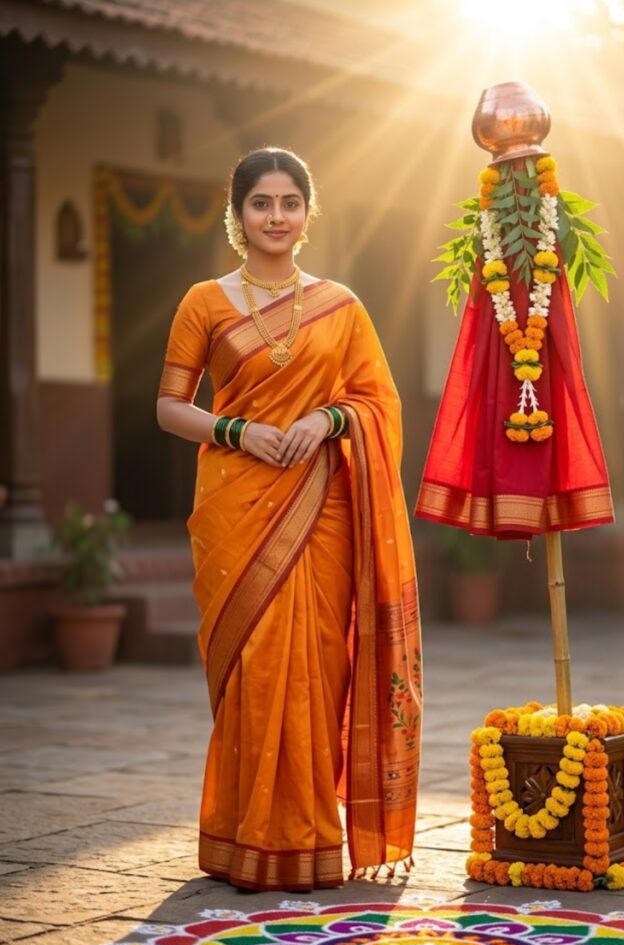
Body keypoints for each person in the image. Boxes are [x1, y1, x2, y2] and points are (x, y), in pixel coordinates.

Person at [156, 148, 422, 892]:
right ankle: (244, 837)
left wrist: (331, 416)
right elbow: (169, 406)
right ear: (236, 216)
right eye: (260, 204)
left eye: (289, 203)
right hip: (236, 503)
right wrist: (237, 431)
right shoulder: (204, 301)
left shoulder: (341, 304)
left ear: (309, 213)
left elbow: (381, 404)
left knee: (315, 667)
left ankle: (306, 837)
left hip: (321, 505)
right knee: (254, 668)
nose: (276, 217)